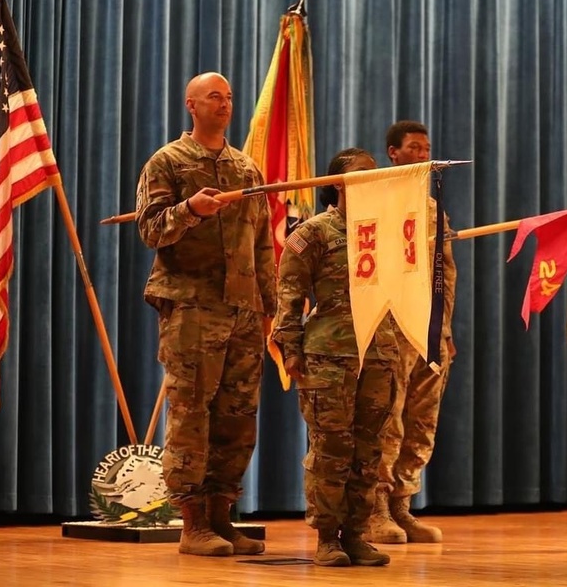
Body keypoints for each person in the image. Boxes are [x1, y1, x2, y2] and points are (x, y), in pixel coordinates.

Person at [136, 72, 275, 557]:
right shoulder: (167, 162)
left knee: (237, 420)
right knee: (192, 415)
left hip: (243, 310)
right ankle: (192, 524)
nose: (225, 104)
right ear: (191, 105)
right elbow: (150, 229)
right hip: (192, 307)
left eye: (230, 97)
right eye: (214, 97)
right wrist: (189, 210)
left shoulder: (247, 171)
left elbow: (262, 245)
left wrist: (269, 308)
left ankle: (222, 517)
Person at [273, 148, 399, 567]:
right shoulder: (314, 234)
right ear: (337, 183)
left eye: (374, 173)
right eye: (362, 174)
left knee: (368, 451)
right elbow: (289, 299)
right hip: (329, 356)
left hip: (378, 354)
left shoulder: (390, 233)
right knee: (331, 449)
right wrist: (291, 351)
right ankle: (328, 537)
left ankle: (357, 534)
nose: (372, 179)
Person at [365, 120, 457, 544]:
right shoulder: (375, 202)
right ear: (393, 153)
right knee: (389, 419)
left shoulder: (434, 209)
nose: (423, 154)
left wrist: (445, 328)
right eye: (414, 148)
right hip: (392, 330)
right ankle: (376, 507)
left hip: (430, 329)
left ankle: (403, 503)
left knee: (422, 421)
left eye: (427, 147)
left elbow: (446, 275)